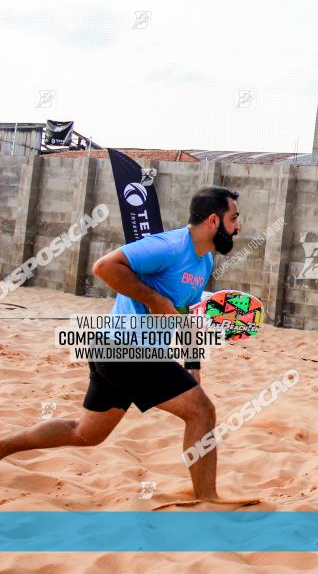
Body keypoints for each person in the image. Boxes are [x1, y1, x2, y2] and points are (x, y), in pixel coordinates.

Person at [0, 187, 240, 501]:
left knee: (85, 434)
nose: (238, 226)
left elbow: (186, 316)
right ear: (213, 220)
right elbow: (104, 267)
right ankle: (208, 499)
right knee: (202, 411)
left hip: (115, 350)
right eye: (233, 218)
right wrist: (154, 300)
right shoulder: (167, 247)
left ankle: (2, 447)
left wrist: (192, 364)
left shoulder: (203, 262)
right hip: (125, 349)